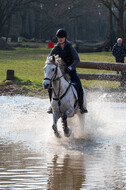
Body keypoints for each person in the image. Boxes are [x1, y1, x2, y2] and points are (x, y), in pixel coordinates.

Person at [47, 28, 88, 114]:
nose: (60, 39)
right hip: (59, 73)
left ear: (65, 38)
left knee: (79, 86)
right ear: (57, 38)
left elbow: (77, 60)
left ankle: (81, 106)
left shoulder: (70, 47)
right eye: (59, 37)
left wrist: (69, 68)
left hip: (70, 71)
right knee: (50, 87)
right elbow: (50, 59)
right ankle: (51, 106)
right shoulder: (55, 48)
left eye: (62, 37)